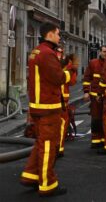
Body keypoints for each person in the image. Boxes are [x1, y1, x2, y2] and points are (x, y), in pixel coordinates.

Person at [20, 22, 77, 197]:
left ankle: (31, 175)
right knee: (48, 146)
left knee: (40, 144)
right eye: (58, 34)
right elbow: (58, 77)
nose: (60, 37)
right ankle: (48, 184)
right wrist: (71, 70)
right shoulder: (47, 53)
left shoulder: (37, 51)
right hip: (48, 108)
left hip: (38, 107)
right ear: (50, 34)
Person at [82, 45, 106, 148]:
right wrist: (86, 91)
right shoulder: (93, 63)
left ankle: (104, 139)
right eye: (104, 51)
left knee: (105, 119)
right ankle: (95, 140)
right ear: (100, 52)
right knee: (96, 119)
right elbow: (87, 78)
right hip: (95, 97)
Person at [58, 52, 78, 157]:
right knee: (61, 124)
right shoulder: (66, 72)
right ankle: (58, 149)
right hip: (61, 102)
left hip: (49, 101)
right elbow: (72, 81)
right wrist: (73, 69)